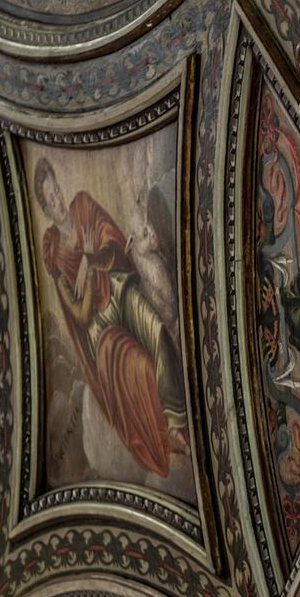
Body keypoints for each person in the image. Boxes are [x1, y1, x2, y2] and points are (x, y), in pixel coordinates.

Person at [35, 157, 188, 478]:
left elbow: (115, 247)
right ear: (46, 211)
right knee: (137, 366)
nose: (59, 201)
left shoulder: (83, 207)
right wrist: (90, 276)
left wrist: (90, 260)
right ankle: (162, 438)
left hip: (117, 288)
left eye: (57, 191)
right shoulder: (55, 258)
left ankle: (178, 423)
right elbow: (80, 314)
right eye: (51, 200)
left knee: (157, 331)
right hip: (99, 330)